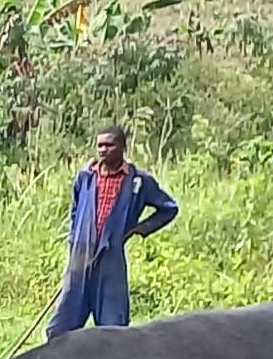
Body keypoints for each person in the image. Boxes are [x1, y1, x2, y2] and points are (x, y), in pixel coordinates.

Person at [48, 124, 179, 340]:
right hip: (80, 258)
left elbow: (169, 209)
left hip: (111, 261)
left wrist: (140, 229)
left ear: (122, 147)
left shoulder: (138, 181)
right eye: (99, 145)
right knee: (60, 328)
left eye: (109, 145)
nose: (103, 150)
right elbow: (74, 211)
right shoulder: (86, 177)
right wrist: (74, 242)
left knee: (114, 330)